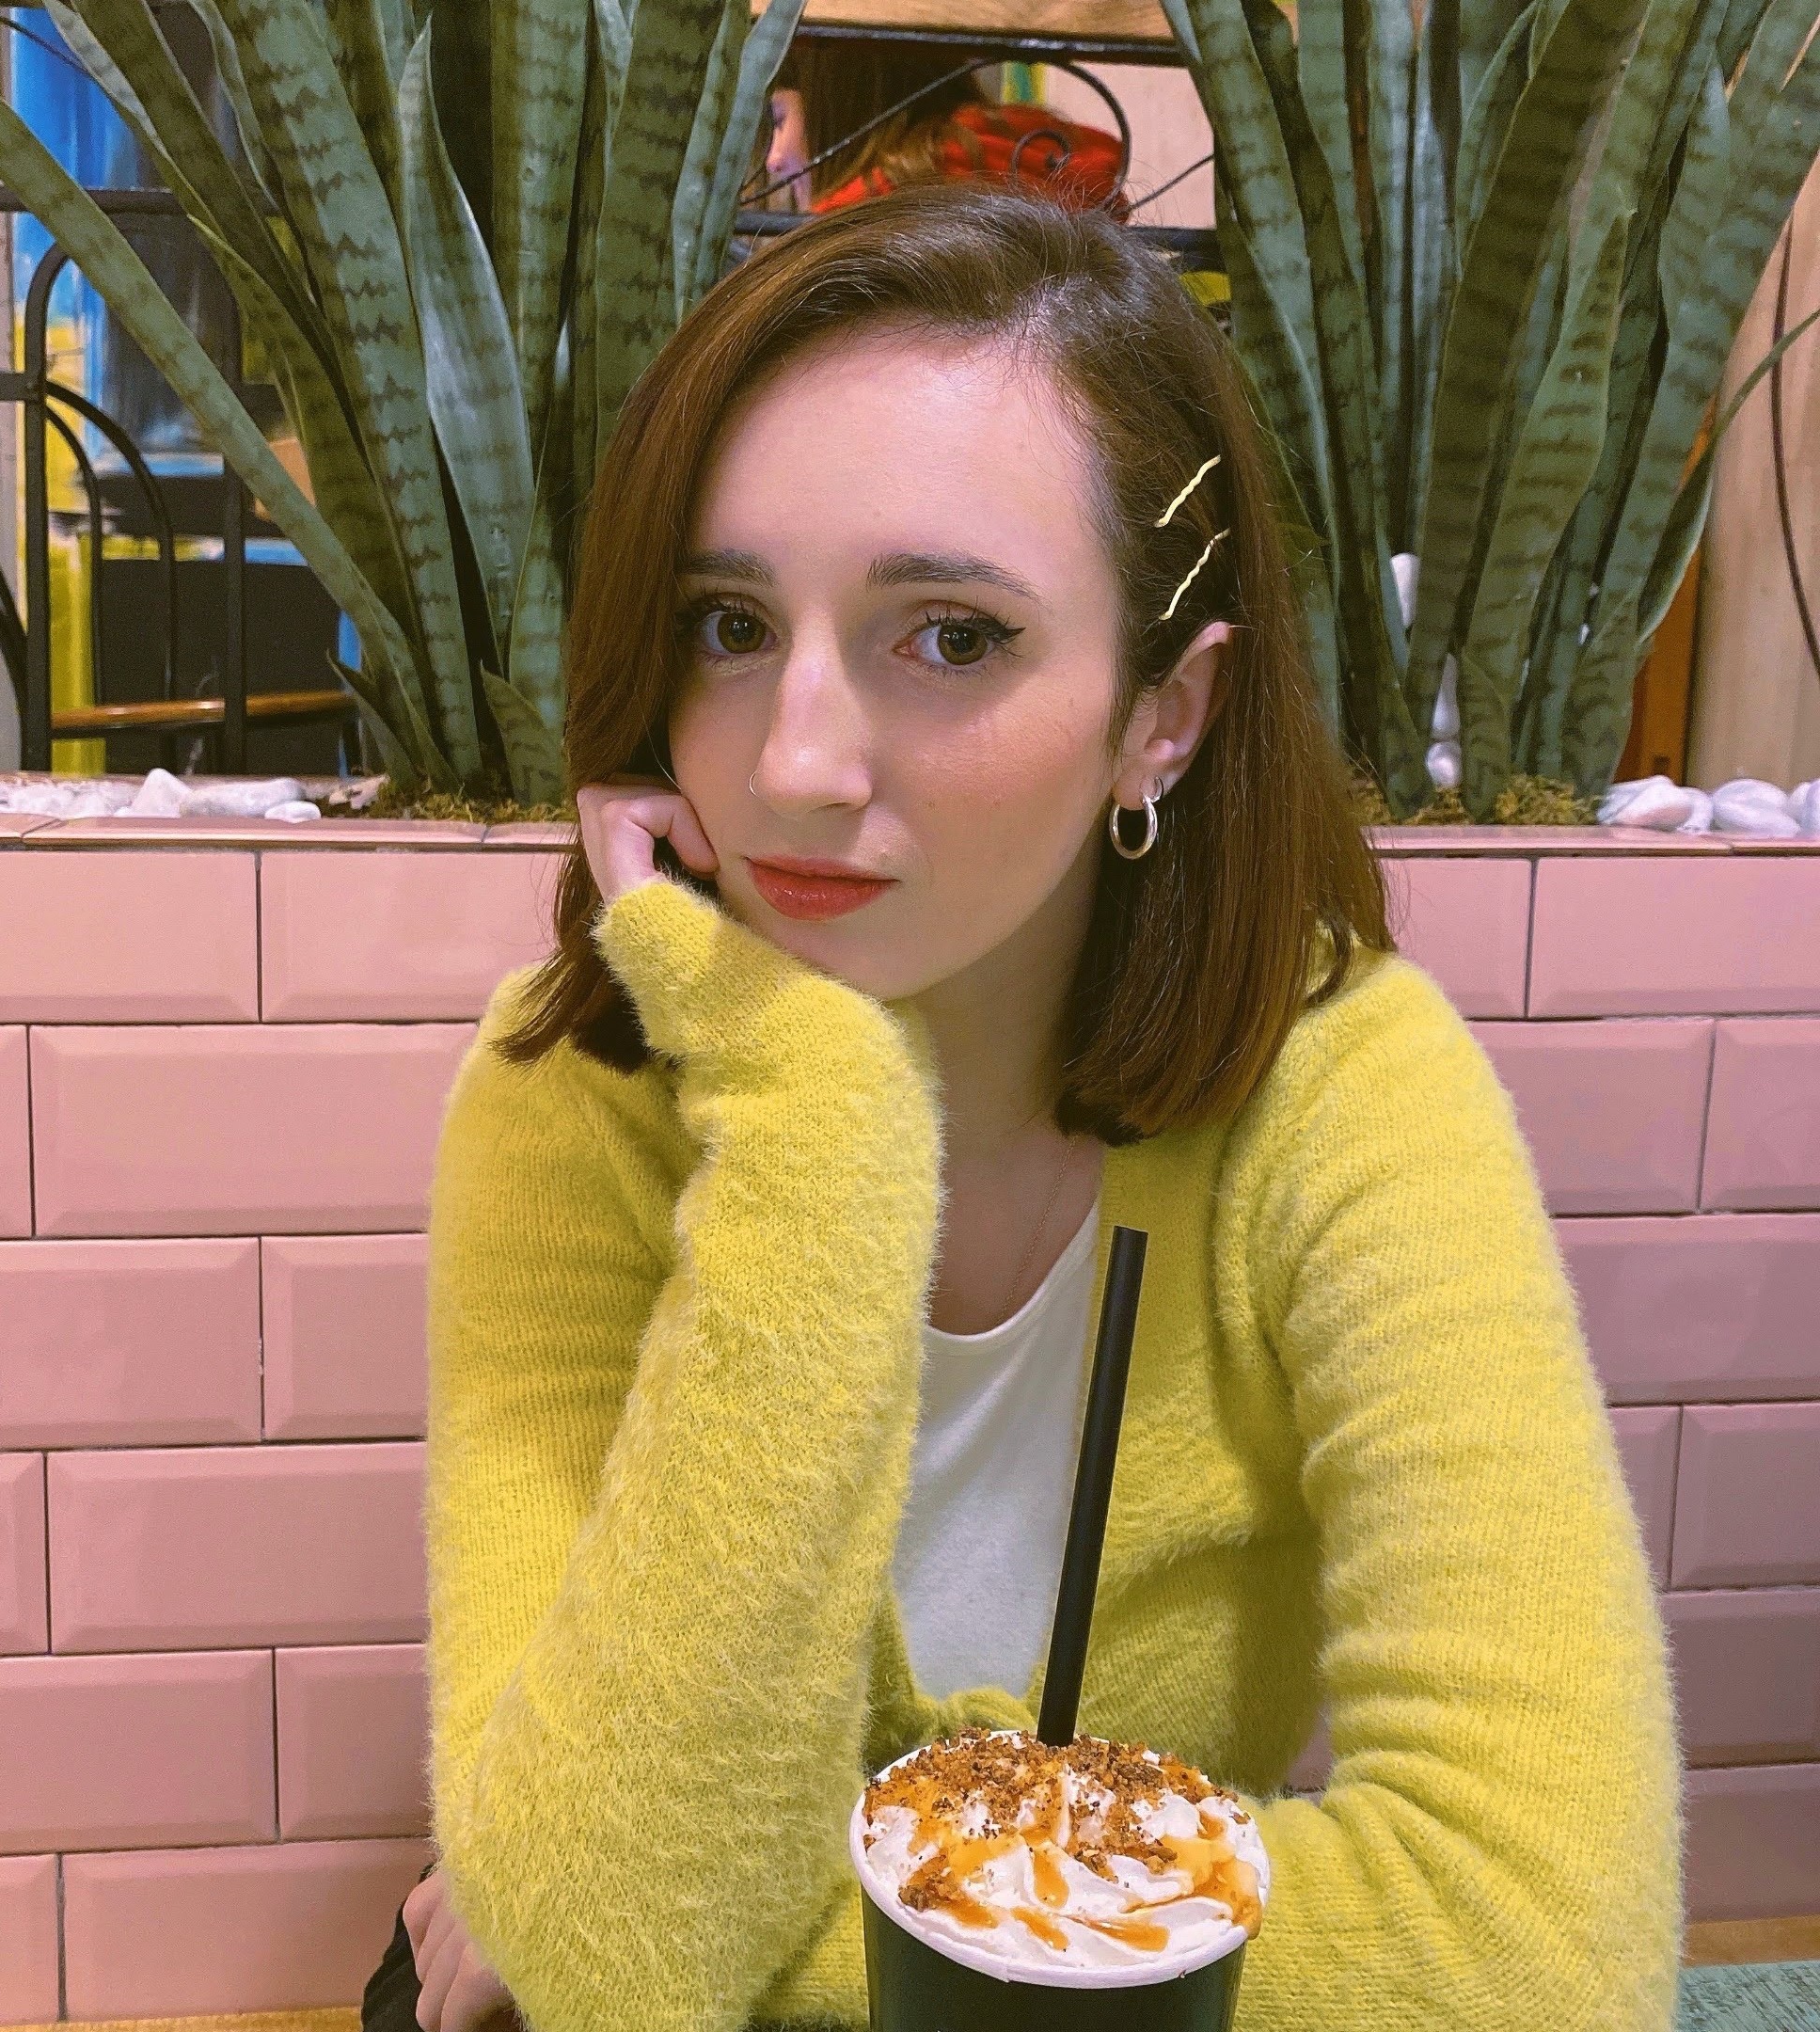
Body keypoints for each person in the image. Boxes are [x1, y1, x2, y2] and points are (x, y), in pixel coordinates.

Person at [363, 184, 1681, 2032]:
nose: (795, 763)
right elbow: (605, 1958)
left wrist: (730, 1912)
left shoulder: (1348, 1089)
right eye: (728, 623)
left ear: (1167, 716)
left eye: (953, 635)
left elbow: (1539, 1941)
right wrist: (813, 1119)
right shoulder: (576, 1092)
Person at [759, 40, 1125, 214]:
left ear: (836, 109)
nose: (773, 160)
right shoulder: (1006, 141)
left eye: (779, 121)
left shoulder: (868, 213)